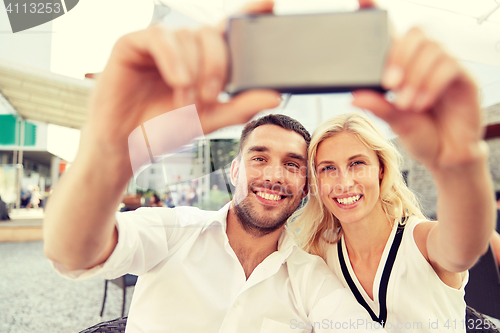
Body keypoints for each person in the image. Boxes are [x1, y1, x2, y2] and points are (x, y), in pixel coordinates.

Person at [43, 1, 387, 332]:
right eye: (259, 158)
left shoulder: (309, 278)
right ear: (235, 171)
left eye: (293, 165)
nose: (274, 175)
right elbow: (71, 253)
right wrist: (110, 153)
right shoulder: (175, 233)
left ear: (306, 186)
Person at [292, 15, 496, 333]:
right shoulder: (319, 257)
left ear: (382, 170)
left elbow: (466, 244)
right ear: (316, 181)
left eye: (357, 163)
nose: (344, 182)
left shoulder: (423, 241)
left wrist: (461, 165)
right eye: (328, 168)